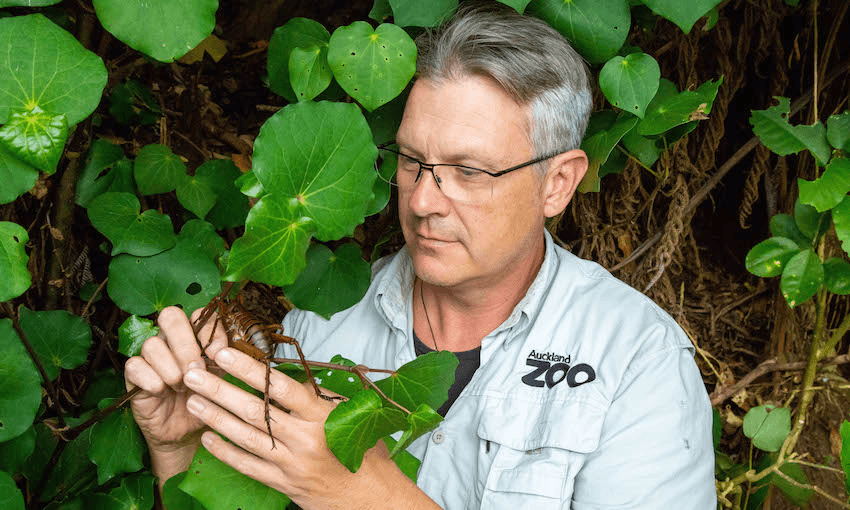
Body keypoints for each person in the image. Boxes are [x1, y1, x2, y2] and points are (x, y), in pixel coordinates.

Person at [125, 4, 716, 509]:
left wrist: (369, 497)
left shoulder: (637, 362)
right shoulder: (321, 324)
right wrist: (181, 454)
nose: (424, 200)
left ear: (558, 183)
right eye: (412, 161)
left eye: (468, 170)